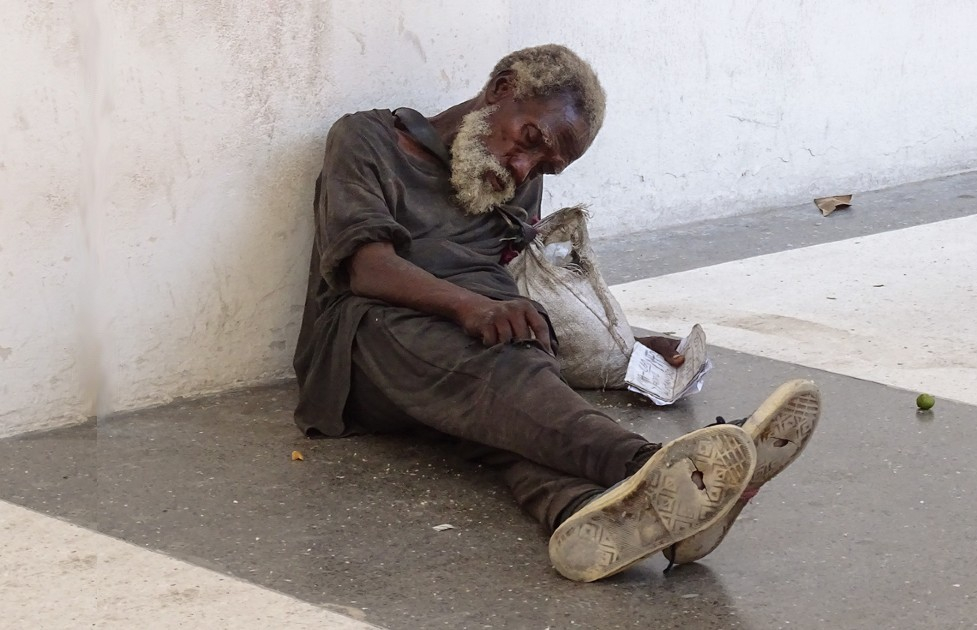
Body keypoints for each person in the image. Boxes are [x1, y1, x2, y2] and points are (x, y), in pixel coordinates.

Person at [292, 44, 821, 582]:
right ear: (501, 90)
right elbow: (365, 268)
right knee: (495, 370)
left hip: (467, 354)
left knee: (508, 423)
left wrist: (627, 343)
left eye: (545, 165)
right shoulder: (368, 139)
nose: (523, 167)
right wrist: (471, 308)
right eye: (529, 140)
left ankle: (593, 515)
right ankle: (650, 464)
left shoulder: (522, 182)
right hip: (365, 342)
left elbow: (517, 286)